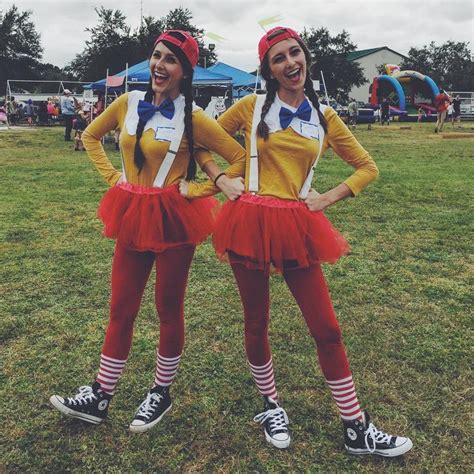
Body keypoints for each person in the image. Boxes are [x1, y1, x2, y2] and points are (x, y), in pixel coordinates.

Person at [197, 26, 413, 457]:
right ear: (269, 69)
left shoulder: (326, 116)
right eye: (278, 58)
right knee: (257, 322)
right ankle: (270, 404)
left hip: (297, 225)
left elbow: (366, 167)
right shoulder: (250, 106)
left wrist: (326, 198)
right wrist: (221, 178)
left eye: (294, 53)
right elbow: (198, 142)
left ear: (306, 57)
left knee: (327, 329)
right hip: (249, 222)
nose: (290, 63)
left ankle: (355, 426)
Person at [49, 30, 246, 432]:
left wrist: (199, 189)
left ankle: (160, 392)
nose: (159, 65)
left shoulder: (194, 118)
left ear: (185, 72)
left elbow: (240, 156)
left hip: (174, 217)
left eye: (170, 60)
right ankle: (101, 395)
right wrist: (113, 179)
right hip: (131, 211)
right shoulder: (128, 101)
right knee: (121, 307)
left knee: (167, 308)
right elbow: (90, 136)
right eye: (157, 56)